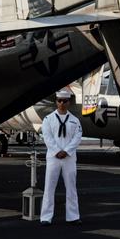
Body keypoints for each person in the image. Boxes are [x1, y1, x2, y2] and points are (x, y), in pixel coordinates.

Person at [40, 89, 83, 226]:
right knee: (49, 187)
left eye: (65, 101)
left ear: (69, 102)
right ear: (56, 102)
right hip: (53, 157)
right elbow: (47, 137)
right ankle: (46, 217)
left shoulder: (75, 121)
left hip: (69, 158)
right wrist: (57, 151)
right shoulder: (48, 119)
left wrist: (66, 151)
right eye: (59, 101)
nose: (62, 103)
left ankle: (73, 216)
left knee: (71, 187)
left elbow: (77, 138)